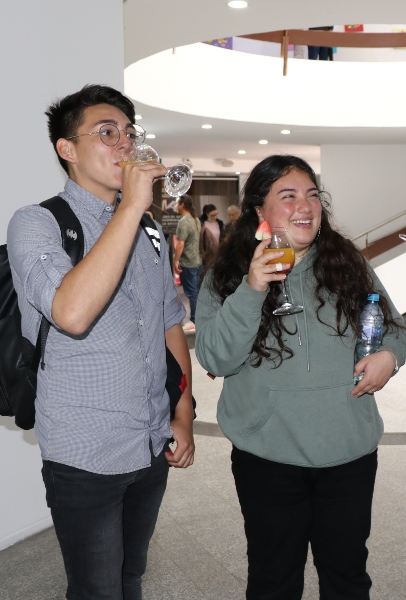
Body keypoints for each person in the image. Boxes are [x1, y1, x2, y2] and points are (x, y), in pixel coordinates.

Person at [7, 84, 195, 599]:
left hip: (151, 438)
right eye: (106, 133)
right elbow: (71, 311)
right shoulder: (36, 223)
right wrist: (131, 209)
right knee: (95, 589)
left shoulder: (149, 231)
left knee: (131, 576)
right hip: (83, 449)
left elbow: (168, 324)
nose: (125, 145)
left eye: (129, 134)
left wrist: (183, 414)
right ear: (67, 150)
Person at [194, 154, 406, 600]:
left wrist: (390, 355)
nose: (305, 207)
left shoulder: (347, 261)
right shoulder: (227, 272)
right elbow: (215, 357)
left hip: (347, 451)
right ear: (259, 210)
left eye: (312, 195)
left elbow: (392, 327)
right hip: (268, 455)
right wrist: (253, 289)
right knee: (274, 580)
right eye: (287, 196)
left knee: (347, 576)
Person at [174, 195, 203, 329]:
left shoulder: (184, 222)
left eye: (177, 203)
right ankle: (198, 318)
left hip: (188, 262)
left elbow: (180, 244)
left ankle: (195, 320)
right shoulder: (195, 219)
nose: (175, 206)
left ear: (182, 205)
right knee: (197, 292)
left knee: (192, 293)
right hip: (197, 260)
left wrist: (175, 260)